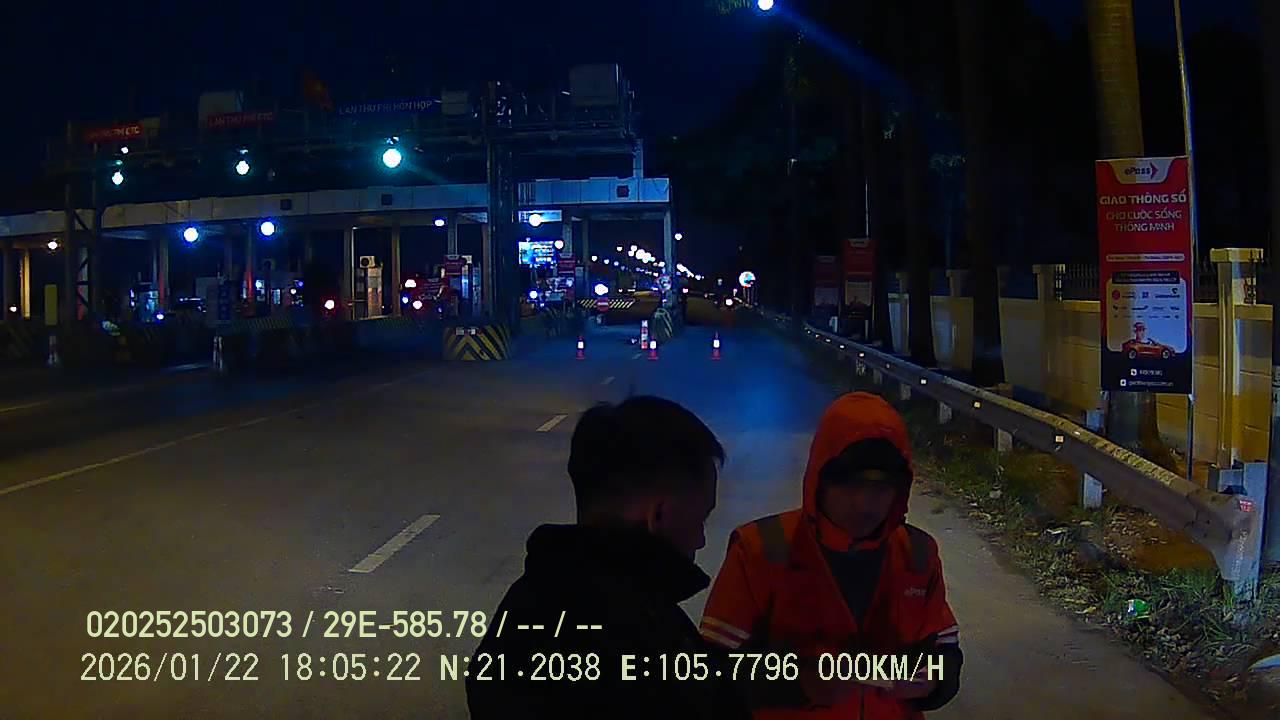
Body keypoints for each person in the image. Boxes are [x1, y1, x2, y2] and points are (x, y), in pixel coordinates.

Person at [466, 396, 750, 720]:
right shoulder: (650, 641)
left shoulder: (522, 608)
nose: (701, 539)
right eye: (701, 519)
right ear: (659, 515)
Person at [700, 392, 962, 719]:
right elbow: (711, 668)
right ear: (820, 481)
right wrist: (800, 683)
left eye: (881, 488)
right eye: (850, 485)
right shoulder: (762, 549)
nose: (865, 504)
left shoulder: (918, 554)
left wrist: (931, 681)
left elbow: (945, 652)